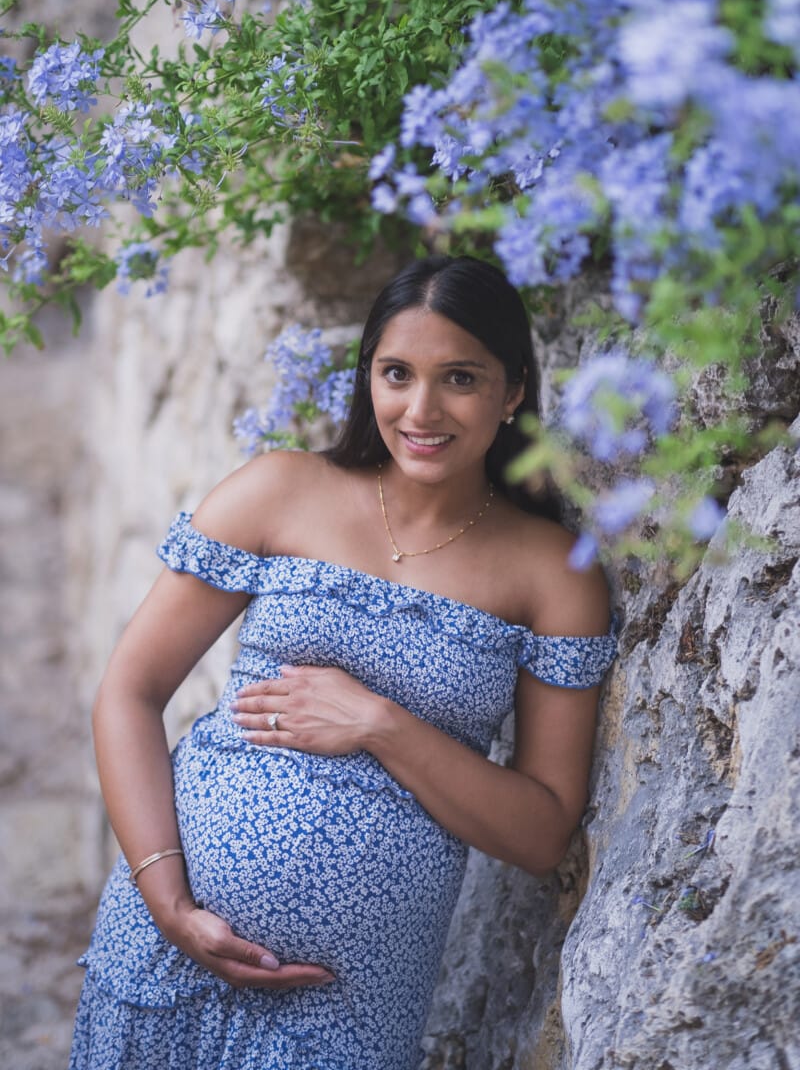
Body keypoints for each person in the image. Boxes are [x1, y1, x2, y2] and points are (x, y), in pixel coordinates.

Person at [69, 254, 616, 1070]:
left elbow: (541, 832)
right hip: (165, 949)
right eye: (397, 374)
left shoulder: (550, 571)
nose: (421, 409)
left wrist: (381, 726)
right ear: (369, 379)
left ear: (513, 393)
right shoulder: (281, 491)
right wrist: (168, 899)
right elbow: (129, 690)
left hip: (348, 1002)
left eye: (459, 378)